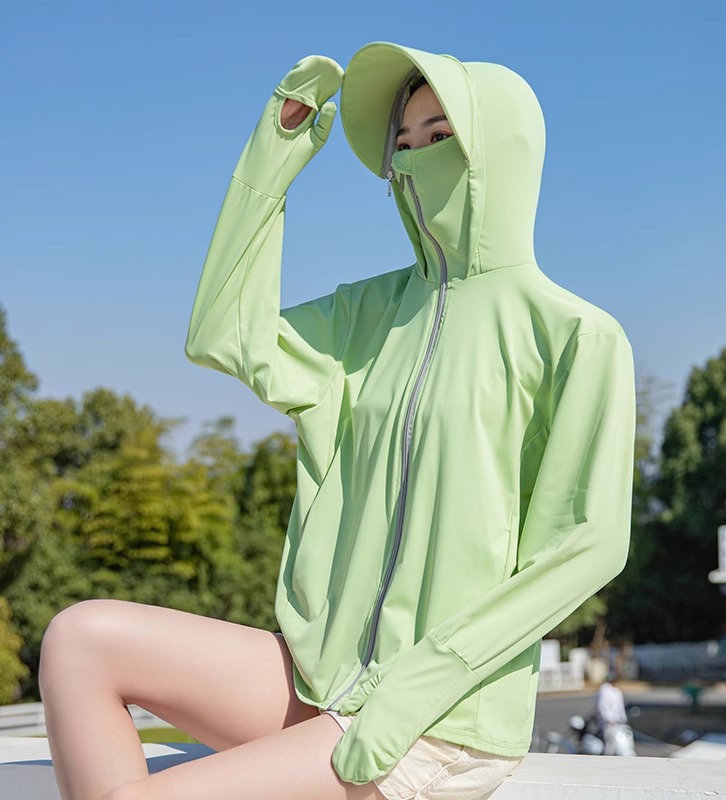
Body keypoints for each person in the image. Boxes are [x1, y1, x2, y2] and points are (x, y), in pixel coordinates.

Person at [39, 41, 636, 800]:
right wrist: (274, 158)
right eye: (404, 144)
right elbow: (223, 334)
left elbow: (586, 544)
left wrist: (420, 685)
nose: (415, 160)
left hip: (441, 717)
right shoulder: (368, 315)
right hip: (323, 681)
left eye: (441, 136)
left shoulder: (575, 336)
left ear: (502, 152)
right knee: (79, 640)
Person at [595, 675, 635, 755]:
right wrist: (608, 719)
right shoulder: (605, 690)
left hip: (617, 722)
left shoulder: (616, 691)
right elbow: (603, 706)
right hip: (609, 722)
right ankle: (608, 756)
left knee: (618, 740)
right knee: (610, 740)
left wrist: (623, 719)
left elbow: (619, 707)